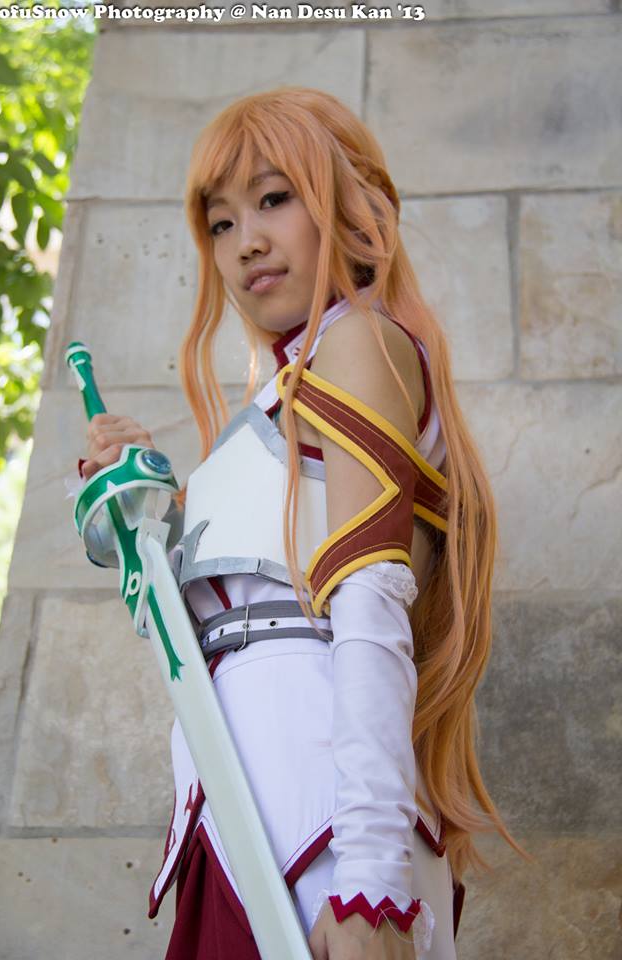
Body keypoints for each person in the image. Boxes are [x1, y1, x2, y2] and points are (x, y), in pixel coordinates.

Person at [80, 87, 530, 959]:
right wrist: (149, 505)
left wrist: (372, 878)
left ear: (350, 207)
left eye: (274, 198)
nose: (245, 241)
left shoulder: (360, 340)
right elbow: (211, 620)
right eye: (220, 223)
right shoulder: (276, 400)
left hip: (324, 835)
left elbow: (368, 604)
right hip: (240, 813)